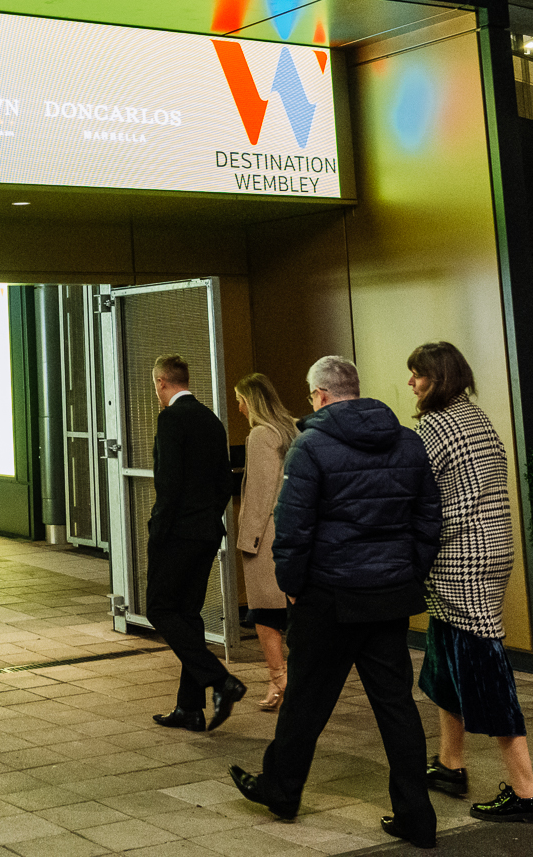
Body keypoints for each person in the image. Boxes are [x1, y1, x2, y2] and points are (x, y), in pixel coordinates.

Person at [230, 355, 443, 850]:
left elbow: (293, 526)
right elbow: (428, 517)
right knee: (396, 706)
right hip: (388, 597)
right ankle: (417, 816)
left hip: (328, 596)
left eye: (311, 395)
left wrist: (292, 584)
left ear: (320, 395)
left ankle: (282, 790)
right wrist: (409, 571)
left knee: (306, 700)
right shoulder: (407, 442)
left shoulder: (311, 446)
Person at [409, 341, 533, 826]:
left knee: (486, 674)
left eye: (418, 374)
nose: (411, 383)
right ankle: (450, 764)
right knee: (444, 665)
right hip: (491, 550)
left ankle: (527, 792)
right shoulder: (477, 418)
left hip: (459, 560)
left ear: (438, 379)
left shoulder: (435, 426)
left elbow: (415, 490)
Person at [146, 353, 249, 733]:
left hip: (178, 535)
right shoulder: (211, 419)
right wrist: (207, 518)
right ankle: (189, 708)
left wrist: (159, 531)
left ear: (161, 382)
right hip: (206, 533)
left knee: (159, 608)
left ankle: (220, 680)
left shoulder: (171, 419)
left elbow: (168, 483)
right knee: (188, 615)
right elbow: (224, 481)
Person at [235, 372, 301, 710]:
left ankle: (279, 679)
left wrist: (247, 540)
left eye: (240, 401)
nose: (239, 409)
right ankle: (287, 681)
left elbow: (260, 494)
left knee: (264, 613)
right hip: (293, 532)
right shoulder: (293, 429)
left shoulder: (261, 434)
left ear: (251, 401)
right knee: (289, 613)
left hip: (267, 537)